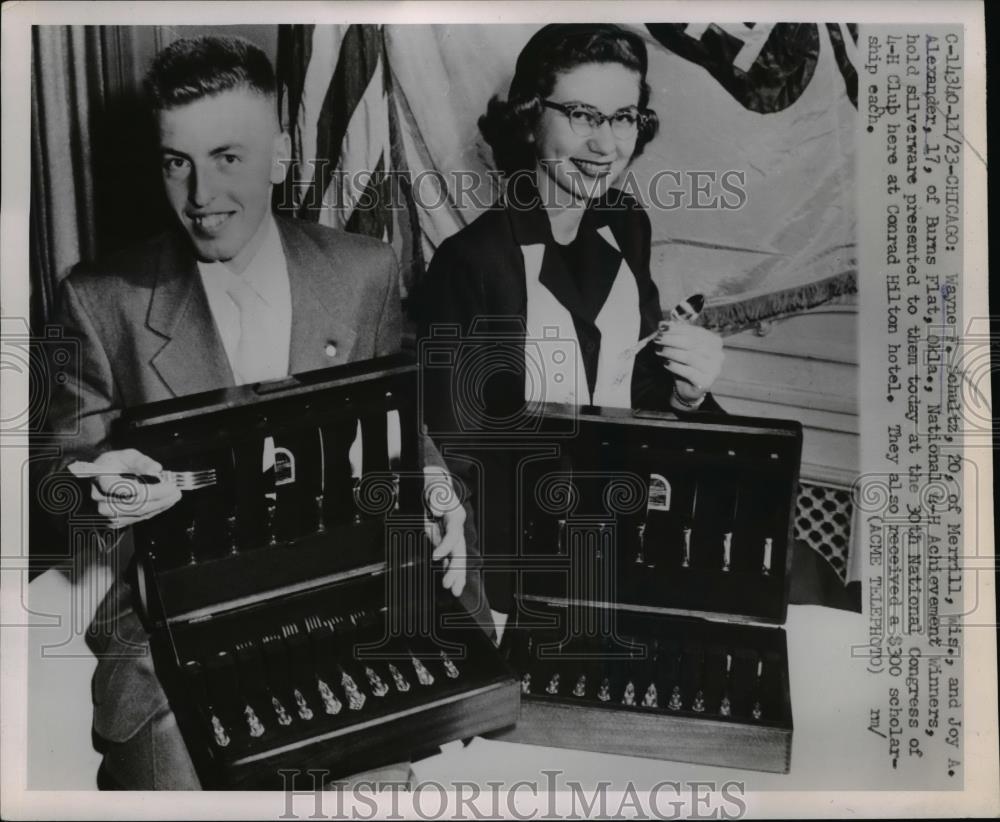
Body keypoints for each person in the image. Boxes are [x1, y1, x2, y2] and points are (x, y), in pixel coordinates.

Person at [41, 35, 486, 789]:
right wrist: (95, 491)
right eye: (175, 161)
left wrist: (435, 487)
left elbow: (401, 432)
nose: (200, 196)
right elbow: (52, 480)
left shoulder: (363, 271)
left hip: (343, 613)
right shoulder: (100, 298)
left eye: (228, 158)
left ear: (281, 155)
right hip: (173, 645)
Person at [416, 24, 725, 624]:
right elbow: (455, 462)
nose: (605, 144)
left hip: (622, 545)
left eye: (624, 118)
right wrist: (485, 620)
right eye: (583, 114)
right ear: (530, 118)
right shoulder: (472, 261)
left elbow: (629, 383)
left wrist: (688, 393)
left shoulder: (626, 224)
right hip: (520, 574)